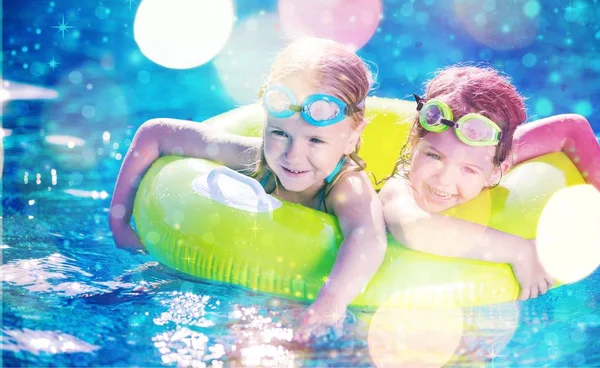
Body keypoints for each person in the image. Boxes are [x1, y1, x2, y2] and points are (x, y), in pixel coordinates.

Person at [109, 37, 387, 341]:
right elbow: (155, 134)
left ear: (351, 138)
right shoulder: (257, 159)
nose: (292, 155)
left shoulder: (344, 185)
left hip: (299, 297)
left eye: (316, 141)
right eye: (279, 133)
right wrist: (119, 222)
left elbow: (367, 237)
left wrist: (331, 303)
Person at [379, 65, 600, 300]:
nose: (444, 179)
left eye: (468, 169)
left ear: (497, 173)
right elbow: (414, 229)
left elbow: (571, 128)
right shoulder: (399, 190)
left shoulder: (489, 152)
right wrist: (521, 250)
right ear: (414, 144)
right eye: (434, 156)